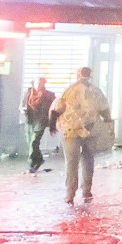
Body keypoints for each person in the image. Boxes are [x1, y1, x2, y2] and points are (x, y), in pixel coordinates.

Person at [51, 67, 110, 205]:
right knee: (88, 159)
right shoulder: (96, 91)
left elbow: (56, 109)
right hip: (90, 129)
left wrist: (53, 125)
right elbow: (105, 110)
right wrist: (108, 124)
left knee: (72, 161)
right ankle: (86, 190)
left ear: (77, 74)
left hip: (71, 129)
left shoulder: (69, 90)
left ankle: (70, 193)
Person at [22, 77, 55, 174]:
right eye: (37, 83)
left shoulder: (49, 95)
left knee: (34, 142)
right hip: (29, 120)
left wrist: (52, 123)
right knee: (30, 142)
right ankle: (39, 159)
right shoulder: (28, 93)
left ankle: (32, 164)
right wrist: (23, 109)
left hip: (41, 121)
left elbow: (53, 109)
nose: (39, 85)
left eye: (41, 83)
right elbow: (22, 105)